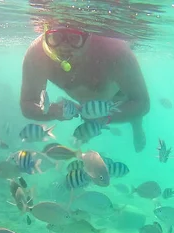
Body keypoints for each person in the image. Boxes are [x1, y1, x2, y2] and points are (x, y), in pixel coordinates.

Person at [19, 25, 150, 152]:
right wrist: (52, 110)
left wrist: (105, 118)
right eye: (56, 37)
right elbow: (27, 104)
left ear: (89, 36)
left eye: (74, 38)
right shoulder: (38, 54)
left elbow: (142, 103)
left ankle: (136, 124)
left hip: (118, 97)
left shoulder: (115, 51)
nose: (64, 47)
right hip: (87, 104)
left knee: (134, 111)